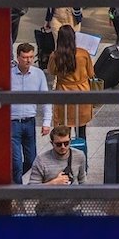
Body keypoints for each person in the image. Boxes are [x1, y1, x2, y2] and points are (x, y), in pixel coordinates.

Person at [46, 25, 97, 156]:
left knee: (64, 131)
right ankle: (83, 159)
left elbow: (51, 71)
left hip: (64, 95)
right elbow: (91, 73)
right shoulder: (83, 54)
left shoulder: (55, 56)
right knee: (82, 131)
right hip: (82, 94)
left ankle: (65, 158)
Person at [10, 42, 51, 184]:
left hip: (29, 121)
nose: (28, 60)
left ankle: (14, 178)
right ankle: (17, 191)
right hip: (12, 122)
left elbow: (46, 98)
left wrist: (46, 122)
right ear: (18, 57)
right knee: (16, 161)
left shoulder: (38, 74)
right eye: (25, 57)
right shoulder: (9, 75)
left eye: (31, 57)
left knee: (31, 159)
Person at [23, 125, 88, 185]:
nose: (63, 147)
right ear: (52, 143)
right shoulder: (41, 160)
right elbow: (32, 188)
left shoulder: (79, 155)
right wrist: (53, 183)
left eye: (66, 143)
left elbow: (82, 181)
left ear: (70, 141)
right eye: (58, 144)